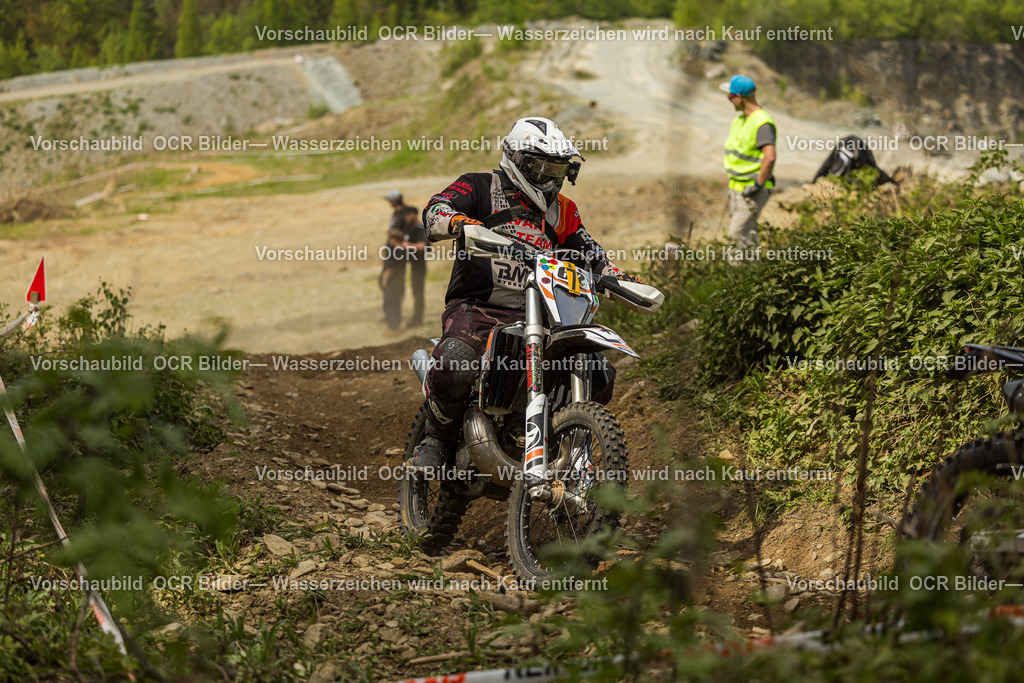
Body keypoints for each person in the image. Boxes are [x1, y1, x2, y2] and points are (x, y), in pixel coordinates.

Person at [407, 116, 641, 473]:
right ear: (516, 159)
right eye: (540, 166)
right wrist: (458, 222)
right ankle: (435, 440)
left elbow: (590, 252)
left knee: (598, 373)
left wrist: (614, 277)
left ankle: (556, 437)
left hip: (540, 315)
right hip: (479, 307)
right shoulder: (480, 186)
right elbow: (436, 209)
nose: (548, 177)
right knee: (455, 361)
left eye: (557, 168)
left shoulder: (563, 211)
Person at [721, 75, 776, 250]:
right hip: (737, 188)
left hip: (752, 191)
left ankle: (735, 276)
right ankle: (755, 273)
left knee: (735, 237)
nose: (729, 101)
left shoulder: (762, 123)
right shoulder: (739, 121)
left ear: (740, 97)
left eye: (730, 97)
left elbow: (770, 156)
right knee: (749, 237)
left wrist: (758, 185)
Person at [401, 206, 427, 327]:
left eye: (407, 215)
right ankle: (415, 317)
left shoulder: (420, 229)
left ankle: (418, 318)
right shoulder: (408, 228)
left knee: (418, 293)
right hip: (412, 266)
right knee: (414, 292)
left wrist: (409, 246)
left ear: (414, 215)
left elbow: (424, 246)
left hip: (419, 266)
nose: (406, 217)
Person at [379, 219, 406, 335]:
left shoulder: (394, 251)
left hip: (392, 282)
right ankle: (396, 326)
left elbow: (389, 269)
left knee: (391, 304)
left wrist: (384, 281)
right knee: (396, 303)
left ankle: (393, 328)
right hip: (400, 281)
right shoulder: (403, 250)